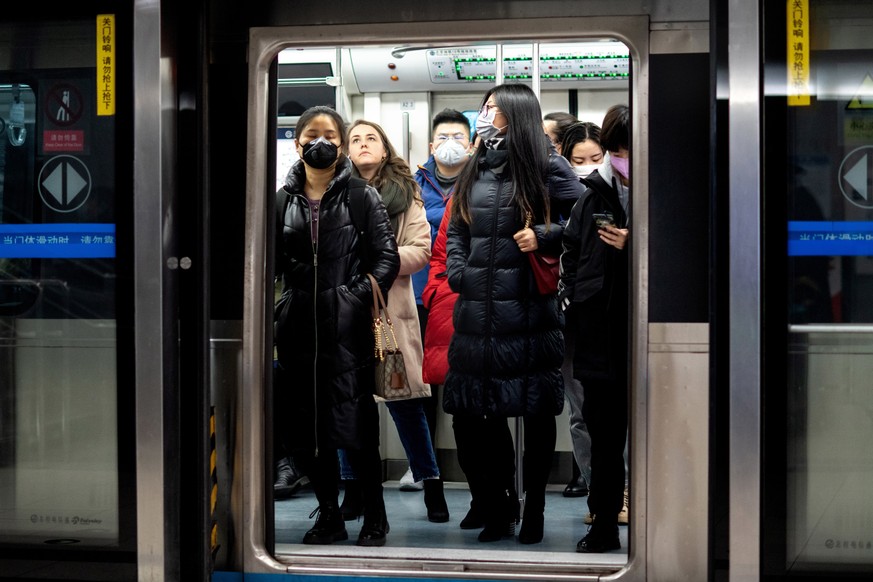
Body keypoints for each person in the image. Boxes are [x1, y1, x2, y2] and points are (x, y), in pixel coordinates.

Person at [444, 84, 584, 544]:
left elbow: (584, 219)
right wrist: (460, 272)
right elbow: (459, 229)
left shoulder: (548, 166)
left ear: (516, 116)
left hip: (530, 315)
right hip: (476, 315)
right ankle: (502, 505)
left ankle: (536, 508)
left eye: (492, 110)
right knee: (482, 416)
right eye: (484, 108)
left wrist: (544, 235)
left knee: (535, 413)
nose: (484, 116)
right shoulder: (476, 166)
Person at [274, 106, 400, 547]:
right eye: (312, 133)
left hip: (346, 330)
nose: (321, 140)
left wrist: (351, 298)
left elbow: (387, 259)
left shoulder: (362, 196)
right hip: (297, 333)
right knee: (310, 431)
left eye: (330, 134)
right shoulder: (281, 200)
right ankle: (329, 515)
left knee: (356, 427)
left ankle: (374, 517)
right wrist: (285, 305)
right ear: (298, 141)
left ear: (341, 143)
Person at [341, 119, 450, 523]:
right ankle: (351, 485)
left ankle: (431, 483)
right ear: (346, 151)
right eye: (355, 139)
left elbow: (421, 250)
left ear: (384, 149)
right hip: (345, 311)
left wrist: (378, 261)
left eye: (371, 138)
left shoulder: (407, 193)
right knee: (347, 401)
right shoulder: (336, 193)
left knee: (404, 402)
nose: (364, 144)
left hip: (387, 311)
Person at [559, 104, 631, 553]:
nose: (623, 160)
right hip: (597, 333)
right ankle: (603, 519)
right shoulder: (592, 197)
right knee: (603, 435)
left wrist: (636, 242)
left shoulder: (671, 188)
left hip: (650, 335)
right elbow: (571, 253)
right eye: (617, 151)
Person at [408, 109, 474, 490]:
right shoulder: (414, 185)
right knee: (423, 385)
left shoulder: (481, 182)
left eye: (458, 137)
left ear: (471, 144)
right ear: (432, 146)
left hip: (463, 296)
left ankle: (473, 466)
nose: (451, 144)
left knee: (463, 381)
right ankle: (422, 463)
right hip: (420, 295)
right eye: (443, 137)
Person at [553, 121, 607, 499]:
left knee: (613, 411)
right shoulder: (549, 197)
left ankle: (620, 490)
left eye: (596, 158)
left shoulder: (619, 197)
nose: (587, 166)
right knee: (580, 412)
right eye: (578, 160)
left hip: (607, 313)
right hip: (569, 315)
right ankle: (597, 490)